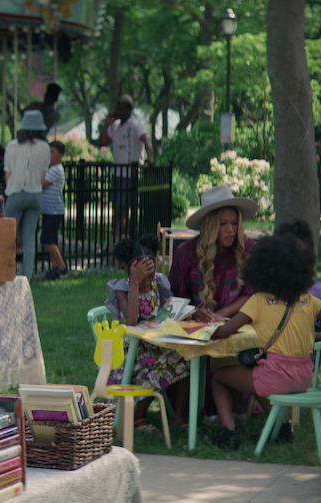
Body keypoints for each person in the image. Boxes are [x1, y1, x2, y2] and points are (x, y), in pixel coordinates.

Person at [208, 222, 321, 450]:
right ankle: (283, 427)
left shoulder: (258, 301)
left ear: (260, 268)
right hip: (305, 378)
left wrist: (210, 327)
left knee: (219, 375)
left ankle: (229, 432)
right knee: (259, 375)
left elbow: (225, 332)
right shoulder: (309, 300)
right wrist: (316, 335)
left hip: (275, 378)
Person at [104, 236, 189, 427]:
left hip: (153, 345)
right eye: (144, 278)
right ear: (129, 271)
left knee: (184, 360)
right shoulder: (122, 288)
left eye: (151, 275)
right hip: (129, 354)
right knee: (158, 368)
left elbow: (169, 307)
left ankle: (179, 417)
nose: (149, 281)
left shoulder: (158, 283)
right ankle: (138, 417)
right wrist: (135, 284)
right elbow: (132, 321)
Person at [168, 185, 258, 322]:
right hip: (194, 331)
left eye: (234, 223)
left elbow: (252, 294)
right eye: (223, 224)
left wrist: (219, 315)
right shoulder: (186, 253)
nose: (231, 230)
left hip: (237, 328)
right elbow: (175, 299)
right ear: (210, 225)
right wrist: (195, 313)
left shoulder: (248, 249)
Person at [98, 95, 154, 239]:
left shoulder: (135, 125)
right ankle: (120, 239)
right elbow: (103, 142)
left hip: (130, 174)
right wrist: (106, 124)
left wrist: (151, 158)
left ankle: (122, 239)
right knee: (116, 209)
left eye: (121, 109)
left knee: (123, 209)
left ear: (129, 110)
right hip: (117, 172)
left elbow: (146, 139)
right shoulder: (115, 126)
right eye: (117, 109)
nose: (118, 112)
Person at [4, 109, 51, 278]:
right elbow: (43, 176)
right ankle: (27, 277)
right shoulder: (45, 147)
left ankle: (6, 272)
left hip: (16, 193)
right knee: (29, 238)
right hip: (35, 194)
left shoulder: (12, 145)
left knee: (7, 236)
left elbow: (8, 174)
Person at [41, 140, 68, 279]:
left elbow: (42, 184)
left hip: (53, 211)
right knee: (51, 240)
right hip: (48, 210)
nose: (50, 155)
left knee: (47, 241)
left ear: (60, 155)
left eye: (53, 152)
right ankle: (55, 268)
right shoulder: (52, 169)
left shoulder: (55, 170)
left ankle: (62, 267)